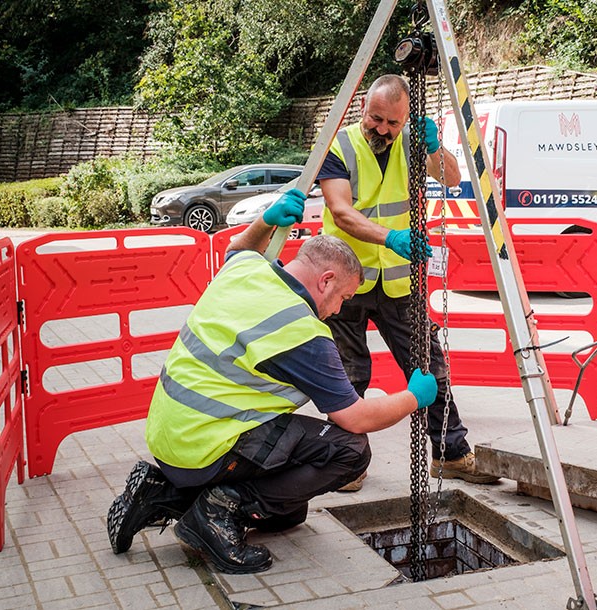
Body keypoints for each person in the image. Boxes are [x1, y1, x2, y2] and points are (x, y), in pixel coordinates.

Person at [107, 193, 438, 574]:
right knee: (349, 451)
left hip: (170, 439)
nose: (338, 310)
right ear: (326, 280)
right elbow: (356, 418)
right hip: (207, 448)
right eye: (343, 298)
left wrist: (265, 220)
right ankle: (216, 513)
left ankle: (161, 493)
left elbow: (238, 247)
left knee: (288, 512)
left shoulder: (249, 270)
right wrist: (413, 397)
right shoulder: (302, 333)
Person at [316, 73, 498, 488]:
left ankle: (451, 452)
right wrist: (391, 237)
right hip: (345, 280)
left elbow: (451, 178)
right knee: (348, 373)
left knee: (429, 365)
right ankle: (349, 462)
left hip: (399, 281)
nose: (381, 129)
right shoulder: (340, 144)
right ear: (364, 105)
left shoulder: (413, 143)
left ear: (406, 119)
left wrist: (434, 146)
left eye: (392, 123)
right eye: (375, 119)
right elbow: (341, 211)